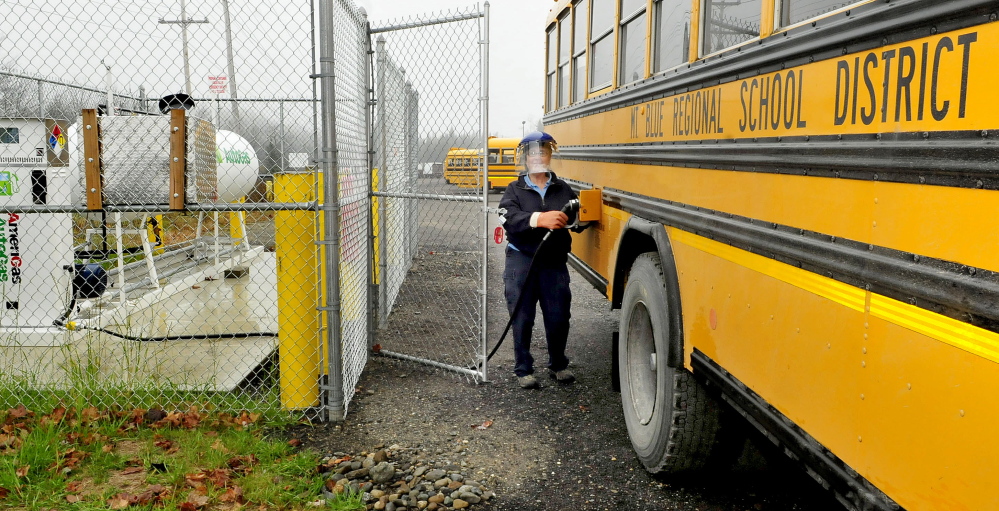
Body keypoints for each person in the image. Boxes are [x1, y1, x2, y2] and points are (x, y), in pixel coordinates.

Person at [498, 131, 586, 389]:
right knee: (522, 316)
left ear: (550, 155)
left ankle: (558, 364)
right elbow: (508, 217)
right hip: (521, 260)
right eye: (533, 152)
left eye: (543, 151)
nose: (538, 156)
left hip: (554, 262)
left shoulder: (563, 188)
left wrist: (577, 219)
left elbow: (575, 217)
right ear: (525, 158)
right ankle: (523, 369)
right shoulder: (515, 189)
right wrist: (538, 219)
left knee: (558, 315)